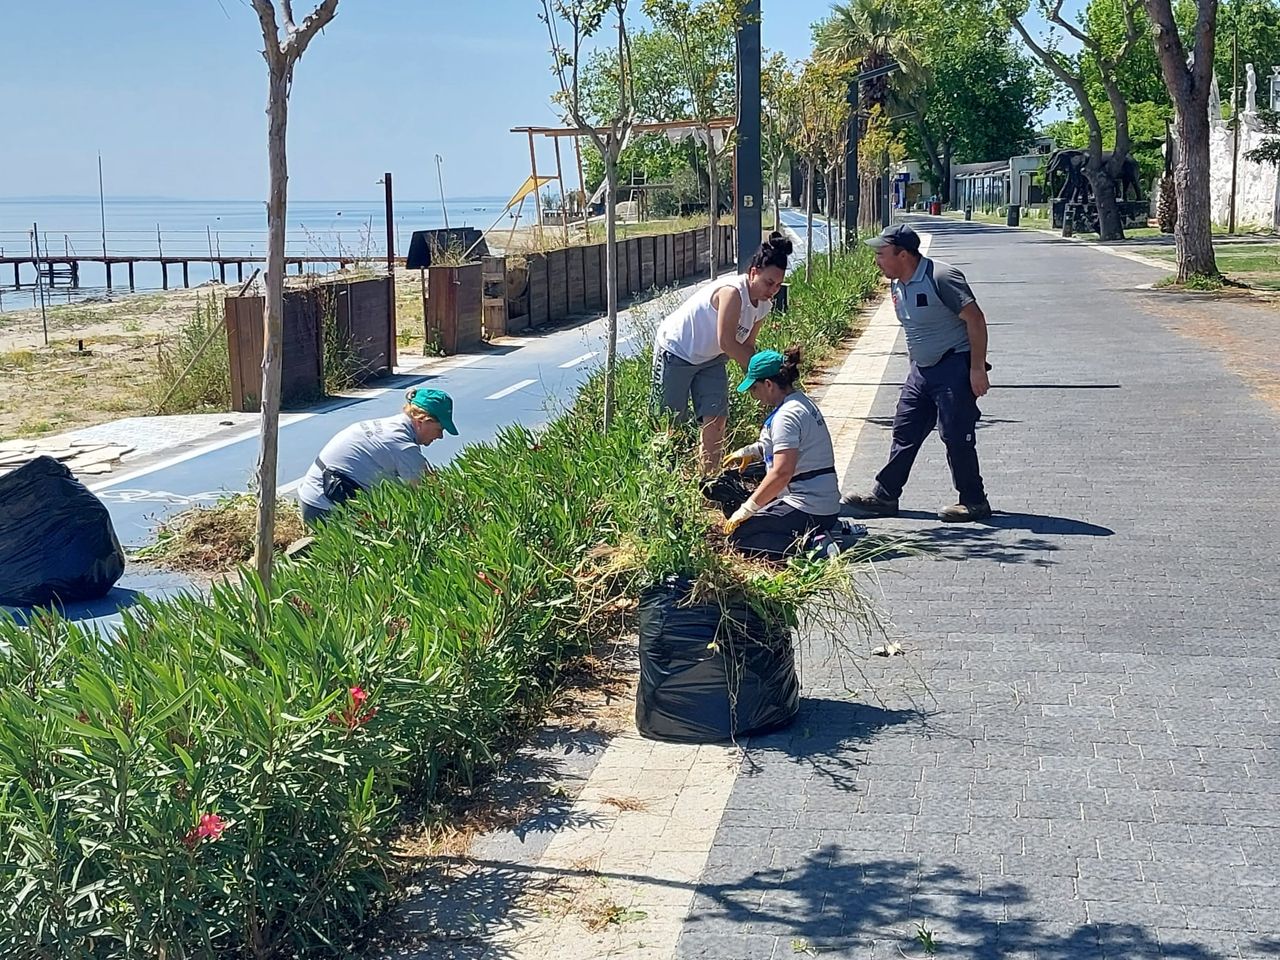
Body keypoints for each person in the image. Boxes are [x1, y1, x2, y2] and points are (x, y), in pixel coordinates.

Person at [842, 223, 992, 522]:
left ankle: (974, 501)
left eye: (882, 253)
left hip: (953, 365)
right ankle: (885, 496)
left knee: (955, 434)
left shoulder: (942, 277)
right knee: (904, 431)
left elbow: (975, 320)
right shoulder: (897, 284)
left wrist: (977, 368)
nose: (877, 260)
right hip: (921, 371)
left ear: (904, 254)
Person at [651, 232, 792, 474]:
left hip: (712, 358)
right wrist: (766, 375)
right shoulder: (732, 292)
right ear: (753, 272)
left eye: (778, 285)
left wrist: (763, 384)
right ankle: (664, 481)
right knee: (670, 422)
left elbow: (747, 346)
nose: (773, 290)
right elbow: (727, 341)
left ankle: (709, 481)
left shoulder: (764, 305)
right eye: (769, 283)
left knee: (716, 417)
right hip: (677, 352)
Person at [721, 347, 841, 560]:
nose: (753, 395)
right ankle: (820, 531)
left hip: (807, 505)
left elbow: (781, 473)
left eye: (754, 388)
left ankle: (811, 546)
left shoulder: (786, 416)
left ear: (768, 385)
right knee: (754, 521)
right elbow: (784, 446)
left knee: (739, 538)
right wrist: (750, 451)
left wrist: (747, 509)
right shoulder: (800, 401)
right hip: (824, 504)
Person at [295, 387, 458, 527]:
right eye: (440, 429)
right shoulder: (401, 445)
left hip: (316, 499)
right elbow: (429, 491)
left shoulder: (389, 427)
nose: (440, 436)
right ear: (424, 420)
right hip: (325, 509)